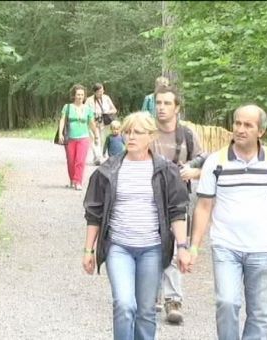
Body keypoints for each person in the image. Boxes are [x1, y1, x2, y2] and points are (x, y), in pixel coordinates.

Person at [188, 104, 267, 339]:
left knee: (260, 314)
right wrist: (194, 246)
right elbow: (204, 206)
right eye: (237, 123)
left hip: (264, 248)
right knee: (227, 303)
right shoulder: (215, 162)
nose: (240, 129)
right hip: (226, 245)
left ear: (261, 131)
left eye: (248, 125)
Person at [82, 112, 191, 340]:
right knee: (124, 305)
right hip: (118, 247)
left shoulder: (165, 170)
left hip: (152, 248)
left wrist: (182, 247)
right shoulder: (108, 170)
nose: (131, 137)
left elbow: (177, 211)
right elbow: (94, 213)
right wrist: (88, 250)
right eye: (127, 132)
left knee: (145, 311)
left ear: (151, 136)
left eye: (137, 133)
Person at [151, 85, 207, 324]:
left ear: (177, 108)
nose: (162, 108)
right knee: (152, 246)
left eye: (167, 103)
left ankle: (173, 299)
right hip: (149, 198)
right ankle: (151, 293)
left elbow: (206, 163)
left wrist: (192, 172)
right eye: (159, 103)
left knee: (176, 247)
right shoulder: (147, 132)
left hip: (178, 199)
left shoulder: (187, 135)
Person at [58, 84, 100, 191]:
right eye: (78, 94)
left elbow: (91, 122)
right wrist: (60, 134)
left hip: (84, 138)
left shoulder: (88, 108)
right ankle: (72, 179)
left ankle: (78, 181)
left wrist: (96, 135)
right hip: (70, 138)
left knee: (80, 160)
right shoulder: (67, 107)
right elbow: (62, 120)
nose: (80, 97)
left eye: (82, 95)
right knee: (71, 161)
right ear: (74, 95)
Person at [86, 83, 118, 165]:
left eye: (102, 90)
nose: (102, 92)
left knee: (102, 139)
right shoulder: (89, 100)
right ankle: (97, 157)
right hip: (93, 122)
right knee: (95, 139)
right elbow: (85, 111)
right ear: (95, 92)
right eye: (99, 91)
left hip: (104, 122)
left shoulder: (106, 98)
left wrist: (106, 112)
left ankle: (99, 156)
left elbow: (114, 109)